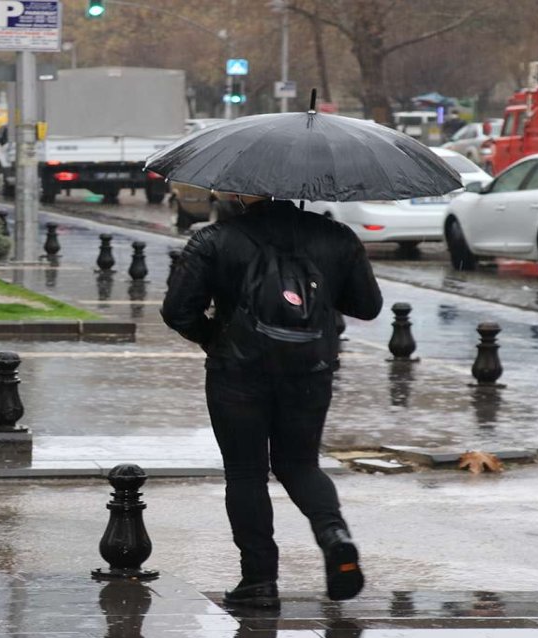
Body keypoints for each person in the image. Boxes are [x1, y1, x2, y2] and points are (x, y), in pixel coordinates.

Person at [161, 195, 383, 609]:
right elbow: (368, 306)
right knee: (300, 464)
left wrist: (215, 338)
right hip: (309, 371)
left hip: (237, 375)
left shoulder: (215, 239)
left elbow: (177, 310)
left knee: (246, 473)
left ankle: (259, 580)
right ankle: (335, 535)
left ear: (243, 193)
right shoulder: (336, 237)